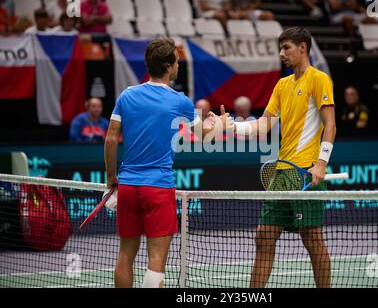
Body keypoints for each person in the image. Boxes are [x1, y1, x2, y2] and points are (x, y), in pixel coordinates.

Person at [104, 37, 231, 288]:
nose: (178, 65)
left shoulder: (127, 95)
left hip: (128, 188)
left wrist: (111, 177)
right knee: (156, 262)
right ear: (169, 66)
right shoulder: (180, 101)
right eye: (177, 61)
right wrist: (222, 124)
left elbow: (110, 140)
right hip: (158, 188)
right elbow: (204, 137)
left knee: (125, 255)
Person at [221, 27, 336, 288]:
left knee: (312, 239)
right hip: (282, 173)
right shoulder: (282, 85)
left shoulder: (319, 79)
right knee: (264, 236)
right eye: (281, 48)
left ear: (303, 48)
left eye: (286, 47)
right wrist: (232, 127)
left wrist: (321, 162)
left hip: (306, 171)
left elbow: (330, 125)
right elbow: (263, 125)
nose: (281, 53)